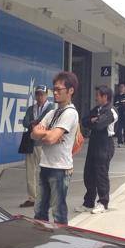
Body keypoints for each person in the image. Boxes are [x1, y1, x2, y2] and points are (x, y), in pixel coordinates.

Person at [31, 71, 80, 225]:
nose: (55, 93)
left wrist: (47, 134)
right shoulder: (52, 112)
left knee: (58, 212)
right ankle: (41, 237)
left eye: (59, 89)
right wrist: (49, 133)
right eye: (54, 89)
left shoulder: (70, 113)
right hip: (45, 165)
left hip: (60, 169)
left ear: (70, 90)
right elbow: (33, 134)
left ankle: (61, 238)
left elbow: (50, 139)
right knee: (39, 211)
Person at [77, 85, 117, 214]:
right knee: (88, 174)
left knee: (101, 174)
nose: (96, 98)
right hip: (93, 143)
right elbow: (84, 121)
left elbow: (100, 125)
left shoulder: (111, 111)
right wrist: (92, 120)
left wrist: (94, 121)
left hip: (105, 144)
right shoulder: (96, 109)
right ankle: (88, 202)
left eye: (98, 95)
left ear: (105, 97)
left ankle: (103, 202)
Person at [18, 84, 55, 207]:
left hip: (43, 143)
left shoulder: (50, 108)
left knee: (45, 171)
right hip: (31, 143)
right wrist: (35, 123)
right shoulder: (31, 109)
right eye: (38, 94)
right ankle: (32, 197)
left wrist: (34, 123)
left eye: (42, 94)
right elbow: (25, 122)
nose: (39, 97)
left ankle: (48, 196)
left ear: (46, 95)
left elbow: (45, 121)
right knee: (30, 171)